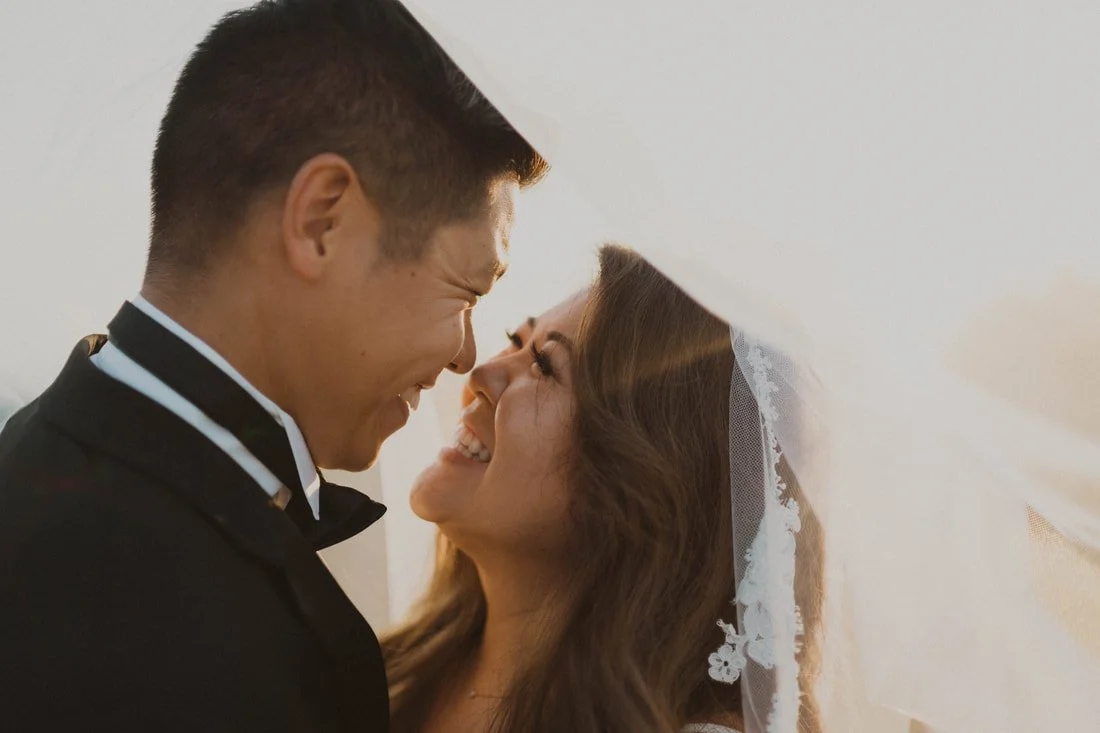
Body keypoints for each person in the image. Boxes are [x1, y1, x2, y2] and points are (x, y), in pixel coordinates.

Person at [0, 0, 545, 730]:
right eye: (467, 291)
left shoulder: (32, 467)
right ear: (323, 221)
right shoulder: (204, 651)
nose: (466, 355)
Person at [382, 245, 824, 733]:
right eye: (514, 341)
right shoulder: (383, 665)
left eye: (544, 367)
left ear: (640, 477)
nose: (481, 374)